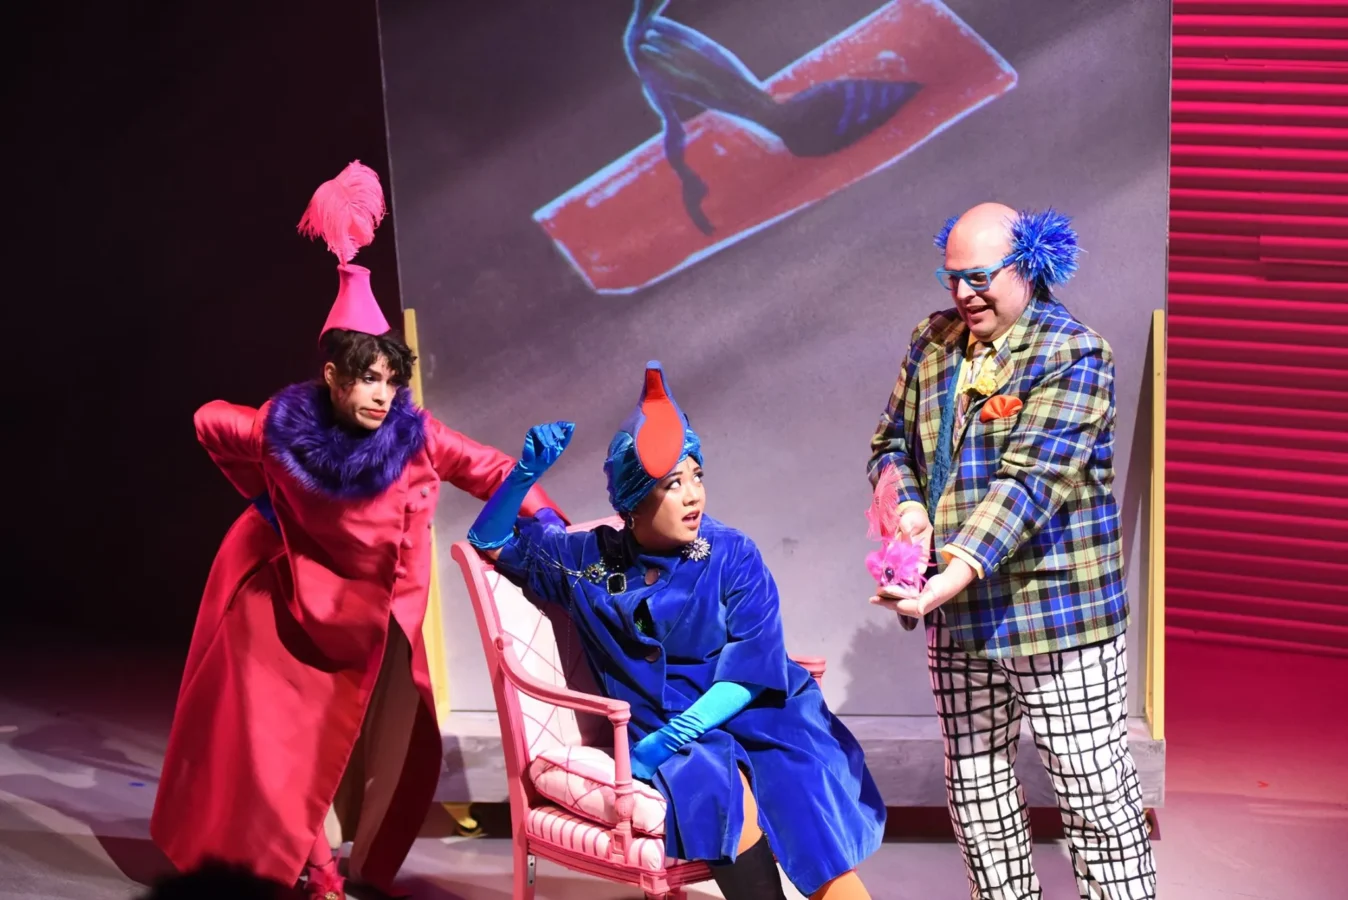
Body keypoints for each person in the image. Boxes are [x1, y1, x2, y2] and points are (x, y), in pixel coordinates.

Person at [150, 162, 565, 900]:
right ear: (334, 377)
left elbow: (490, 468)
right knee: (285, 757)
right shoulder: (281, 429)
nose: (382, 394)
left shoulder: (415, 435)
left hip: (373, 628)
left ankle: (339, 868)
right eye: (368, 378)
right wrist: (266, 503)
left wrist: (549, 517)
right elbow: (208, 423)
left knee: (356, 752)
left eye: (391, 380)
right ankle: (318, 874)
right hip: (283, 617)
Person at [466, 361, 884, 900]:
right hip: (665, 725)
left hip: (753, 708)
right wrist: (524, 475)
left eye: (697, 477)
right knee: (716, 787)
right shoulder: (586, 561)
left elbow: (752, 668)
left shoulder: (732, 553)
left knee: (800, 784)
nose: (693, 496)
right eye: (673, 484)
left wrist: (667, 740)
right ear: (634, 500)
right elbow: (489, 540)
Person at [867, 202, 1157, 899]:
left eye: (979, 277)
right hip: (959, 618)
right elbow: (890, 445)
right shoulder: (932, 341)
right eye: (952, 278)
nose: (964, 294)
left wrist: (949, 574)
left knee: (1094, 795)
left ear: (1028, 265)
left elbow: (1029, 484)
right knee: (978, 798)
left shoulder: (1073, 353)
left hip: (1058, 616)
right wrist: (908, 507)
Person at [624, 0, 920, 234]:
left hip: (801, 125)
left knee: (857, 95)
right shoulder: (649, 46)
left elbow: (675, 127)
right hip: (806, 126)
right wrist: (687, 180)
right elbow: (675, 127)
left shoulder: (652, 40)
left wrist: (688, 179)